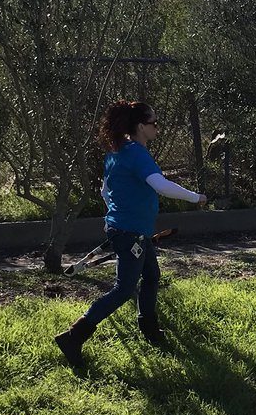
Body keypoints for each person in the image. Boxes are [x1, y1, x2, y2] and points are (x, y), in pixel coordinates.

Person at [54, 100, 207, 367]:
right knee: (123, 289)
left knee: (151, 276)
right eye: (154, 123)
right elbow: (160, 185)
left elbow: (105, 190)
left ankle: (149, 329)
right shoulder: (136, 154)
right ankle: (73, 336)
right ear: (140, 127)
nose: (157, 128)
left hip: (132, 230)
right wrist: (196, 197)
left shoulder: (117, 152)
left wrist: (117, 215)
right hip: (131, 232)